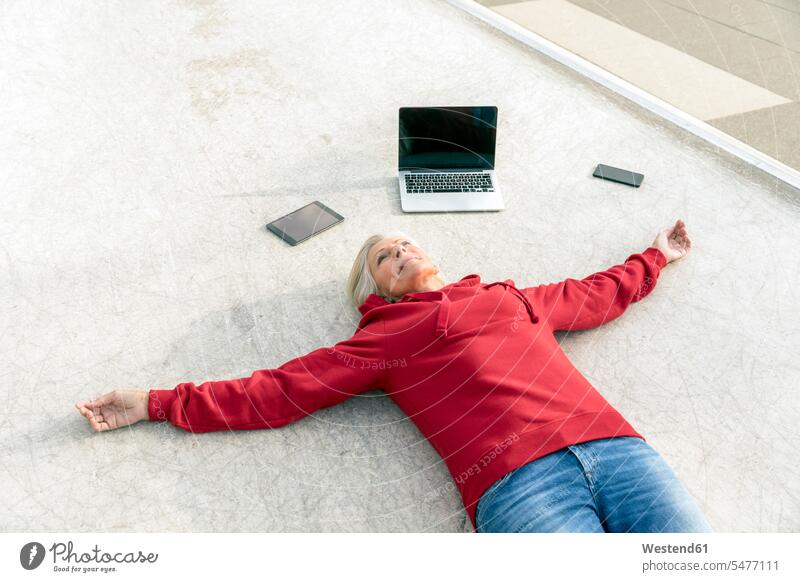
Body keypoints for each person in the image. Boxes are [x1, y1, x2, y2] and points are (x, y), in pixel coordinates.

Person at [76, 219, 712, 533]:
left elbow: (595, 293)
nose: (401, 252)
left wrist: (656, 256)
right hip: (516, 484)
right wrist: (157, 402)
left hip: (619, 451)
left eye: (405, 244)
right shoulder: (380, 340)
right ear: (372, 289)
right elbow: (280, 390)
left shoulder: (505, 296)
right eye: (384, 257)